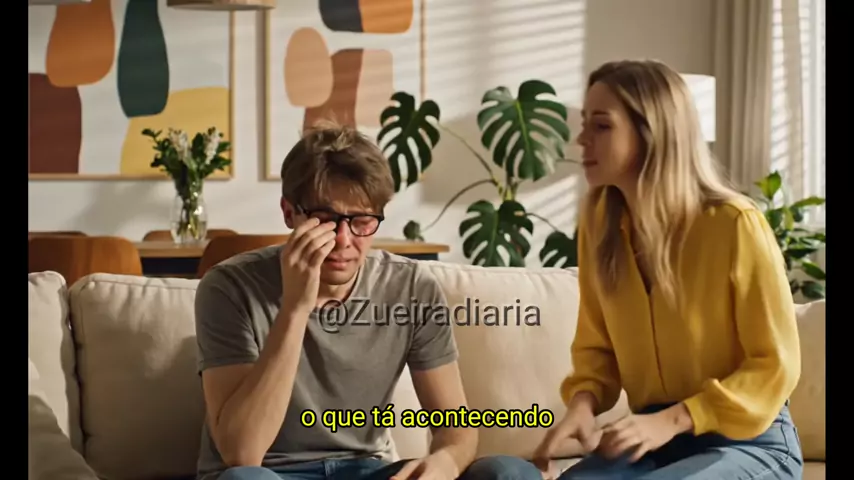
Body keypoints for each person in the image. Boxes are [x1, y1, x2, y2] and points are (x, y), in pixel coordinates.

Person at [193, 120, 540, 480]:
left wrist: (445, 463)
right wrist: (295, 309)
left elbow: (456, 429)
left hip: (366, 470)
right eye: (325, 219)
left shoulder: (410, 288)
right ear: (289, 212)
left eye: (361, 221)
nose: (344, 240)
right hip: (271, 473)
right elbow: (242, 452)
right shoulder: (229, 287)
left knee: (507, 472)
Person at [532, 59, 804, 479]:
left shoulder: (735, 224)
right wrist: (583, 404)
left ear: (652, 132)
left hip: (751, 441)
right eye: (585, 123)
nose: (581, 138)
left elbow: (775, 364)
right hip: (654, 443)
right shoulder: (599, 228)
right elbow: (596, 349)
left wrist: (673, 419)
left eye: (601, 126)